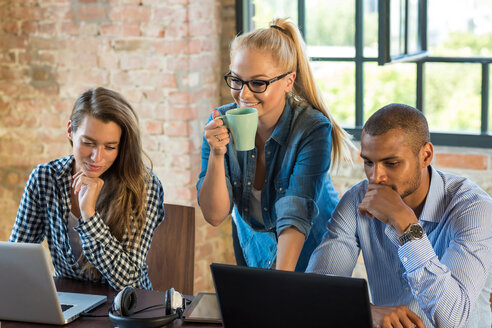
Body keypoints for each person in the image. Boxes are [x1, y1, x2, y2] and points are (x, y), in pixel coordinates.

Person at [307, 103, 492, 328]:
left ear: (425, 155)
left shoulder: (474, 210)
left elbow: (451, 319)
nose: (376, 177)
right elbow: (316, 291)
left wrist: (405, 223)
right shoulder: (357, 200)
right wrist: (367, 311)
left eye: (391, 163)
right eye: (368, 162)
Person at [196, 17, 353, 271]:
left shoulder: (312, 128)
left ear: (288, 81)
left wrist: (278, 288)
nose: (244, 95)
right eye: (236, 80)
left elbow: (295, 215)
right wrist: (217, 153)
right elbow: (214, 215)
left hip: (312, 247)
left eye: (258, 83)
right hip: (254, 241)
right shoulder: (219, 123)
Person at [9, 87, 165, 290]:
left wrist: (89, 216)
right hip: (67, 305)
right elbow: (15, 257)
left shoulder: (144, 186)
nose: (96, 157)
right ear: (70, 131)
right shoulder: (45, 177)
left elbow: (129, 280)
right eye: (88, 142)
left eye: (110, 147)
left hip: (126, 309)